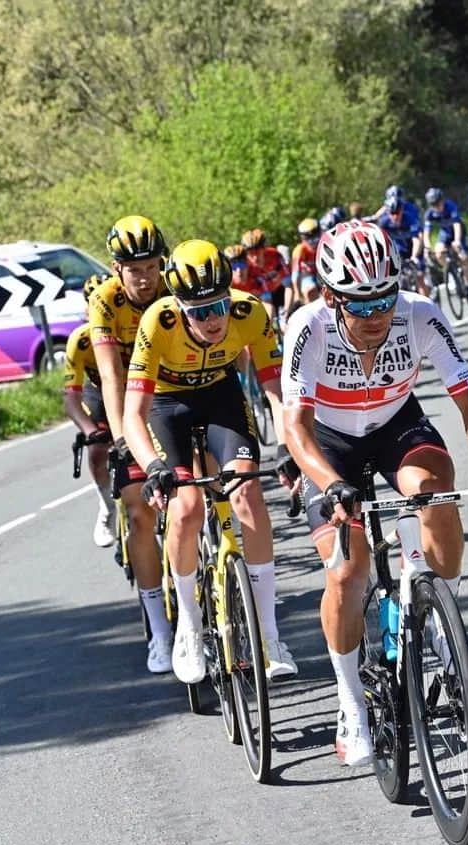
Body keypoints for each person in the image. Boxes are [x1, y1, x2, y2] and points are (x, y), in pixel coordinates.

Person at [280, 220, 468, 765]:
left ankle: (442, 622)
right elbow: (294, 427)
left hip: (396, 425)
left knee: (436, 491)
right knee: (346, 572)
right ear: (329, 297)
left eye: (384, 300)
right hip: (330, 442)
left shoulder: (420, 315)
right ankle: (350, 703)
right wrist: (330, 483)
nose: (376, 317)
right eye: (360, 306)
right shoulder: (308, 326)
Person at [123, 239, 298, 682]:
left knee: (247, 493)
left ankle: (270, 634)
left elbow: (276, 392)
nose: (213, 320)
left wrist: (287, 447)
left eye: (218, 306)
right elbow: (133, 415)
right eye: (199, 312)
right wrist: (153, 468)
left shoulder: (250, 312)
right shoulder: (157, 322)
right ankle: (189, 625)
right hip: (167, 405)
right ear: (179, 308)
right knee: (185, 508)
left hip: (221, 396)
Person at [88, 214, 175, 674]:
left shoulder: (174, 287)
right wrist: (122, 438)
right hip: (128, 400)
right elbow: (109, 374)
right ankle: (159, 630)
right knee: (141, 512)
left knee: (193, 494)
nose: (144, 277)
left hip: (175, 394)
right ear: (117, 269)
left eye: (151, 266)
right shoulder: (104, 302)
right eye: (133, 268)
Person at [63, 274, 115, 547]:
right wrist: (90, 430)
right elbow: (71, 397)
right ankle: (107, 508)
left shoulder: (133, 324)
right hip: (98, 393)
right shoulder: (80, 340)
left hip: (134, 389)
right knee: (97, 451)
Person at [423, 187, 468, 311]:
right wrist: (427, 247)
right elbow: (426, 233)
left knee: (463, 258)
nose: (437, 206)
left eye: (438, 203)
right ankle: (452, 275)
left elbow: (456, 225)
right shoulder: (430, 213)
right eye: (433, 205)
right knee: (439, 253)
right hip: (445, 234)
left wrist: (458, 241)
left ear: (442, 200)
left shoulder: (450, 206)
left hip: (458, 232)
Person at [241, 228, 293, 323]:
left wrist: (286, 312)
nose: (255, 257)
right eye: (250, 253)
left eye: (258, 251)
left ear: (264, 248)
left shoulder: (275, 256)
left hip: (282, 290)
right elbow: (265, 299)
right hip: (265, 294)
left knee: (286, 323)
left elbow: (288, 286)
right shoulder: (247, 266)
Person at [291, 217, 322, 304]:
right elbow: (295, 276)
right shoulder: (299, 250)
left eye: (315, 238)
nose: (313, 242)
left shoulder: (325, 243)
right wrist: (297, 295)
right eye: (308, 239)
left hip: (322, 272)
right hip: (307, 274)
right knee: (310, 291)